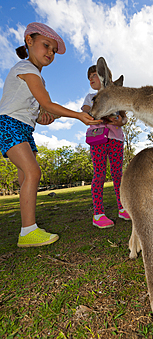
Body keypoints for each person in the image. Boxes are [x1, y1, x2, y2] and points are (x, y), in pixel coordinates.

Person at [0, 22, 102, 247]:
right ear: (29, 42)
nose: (50, 52)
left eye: (54, 50)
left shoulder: (37, 77)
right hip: (10, 124)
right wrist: (77, 115)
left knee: (26, 177)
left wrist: (43, 118)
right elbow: (46, 102)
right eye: (46, 45)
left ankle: (27, 225)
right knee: (32, 172)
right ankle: (28, 231)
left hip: (24, 127)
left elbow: (38, 111)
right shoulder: (24, 68)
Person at [82, 65, 130, 228]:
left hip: (116, 139)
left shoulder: (117, 97)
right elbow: (86, 112)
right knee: (99, 174)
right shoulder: (90, 97)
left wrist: (119, 121)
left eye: (94, 75)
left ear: (105, 77)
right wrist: (99, 115)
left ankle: (123, 208)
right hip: (98, 139)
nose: (91, 79)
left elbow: (124, 118)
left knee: (118, 174)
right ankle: (98, 214)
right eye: (89, 77)